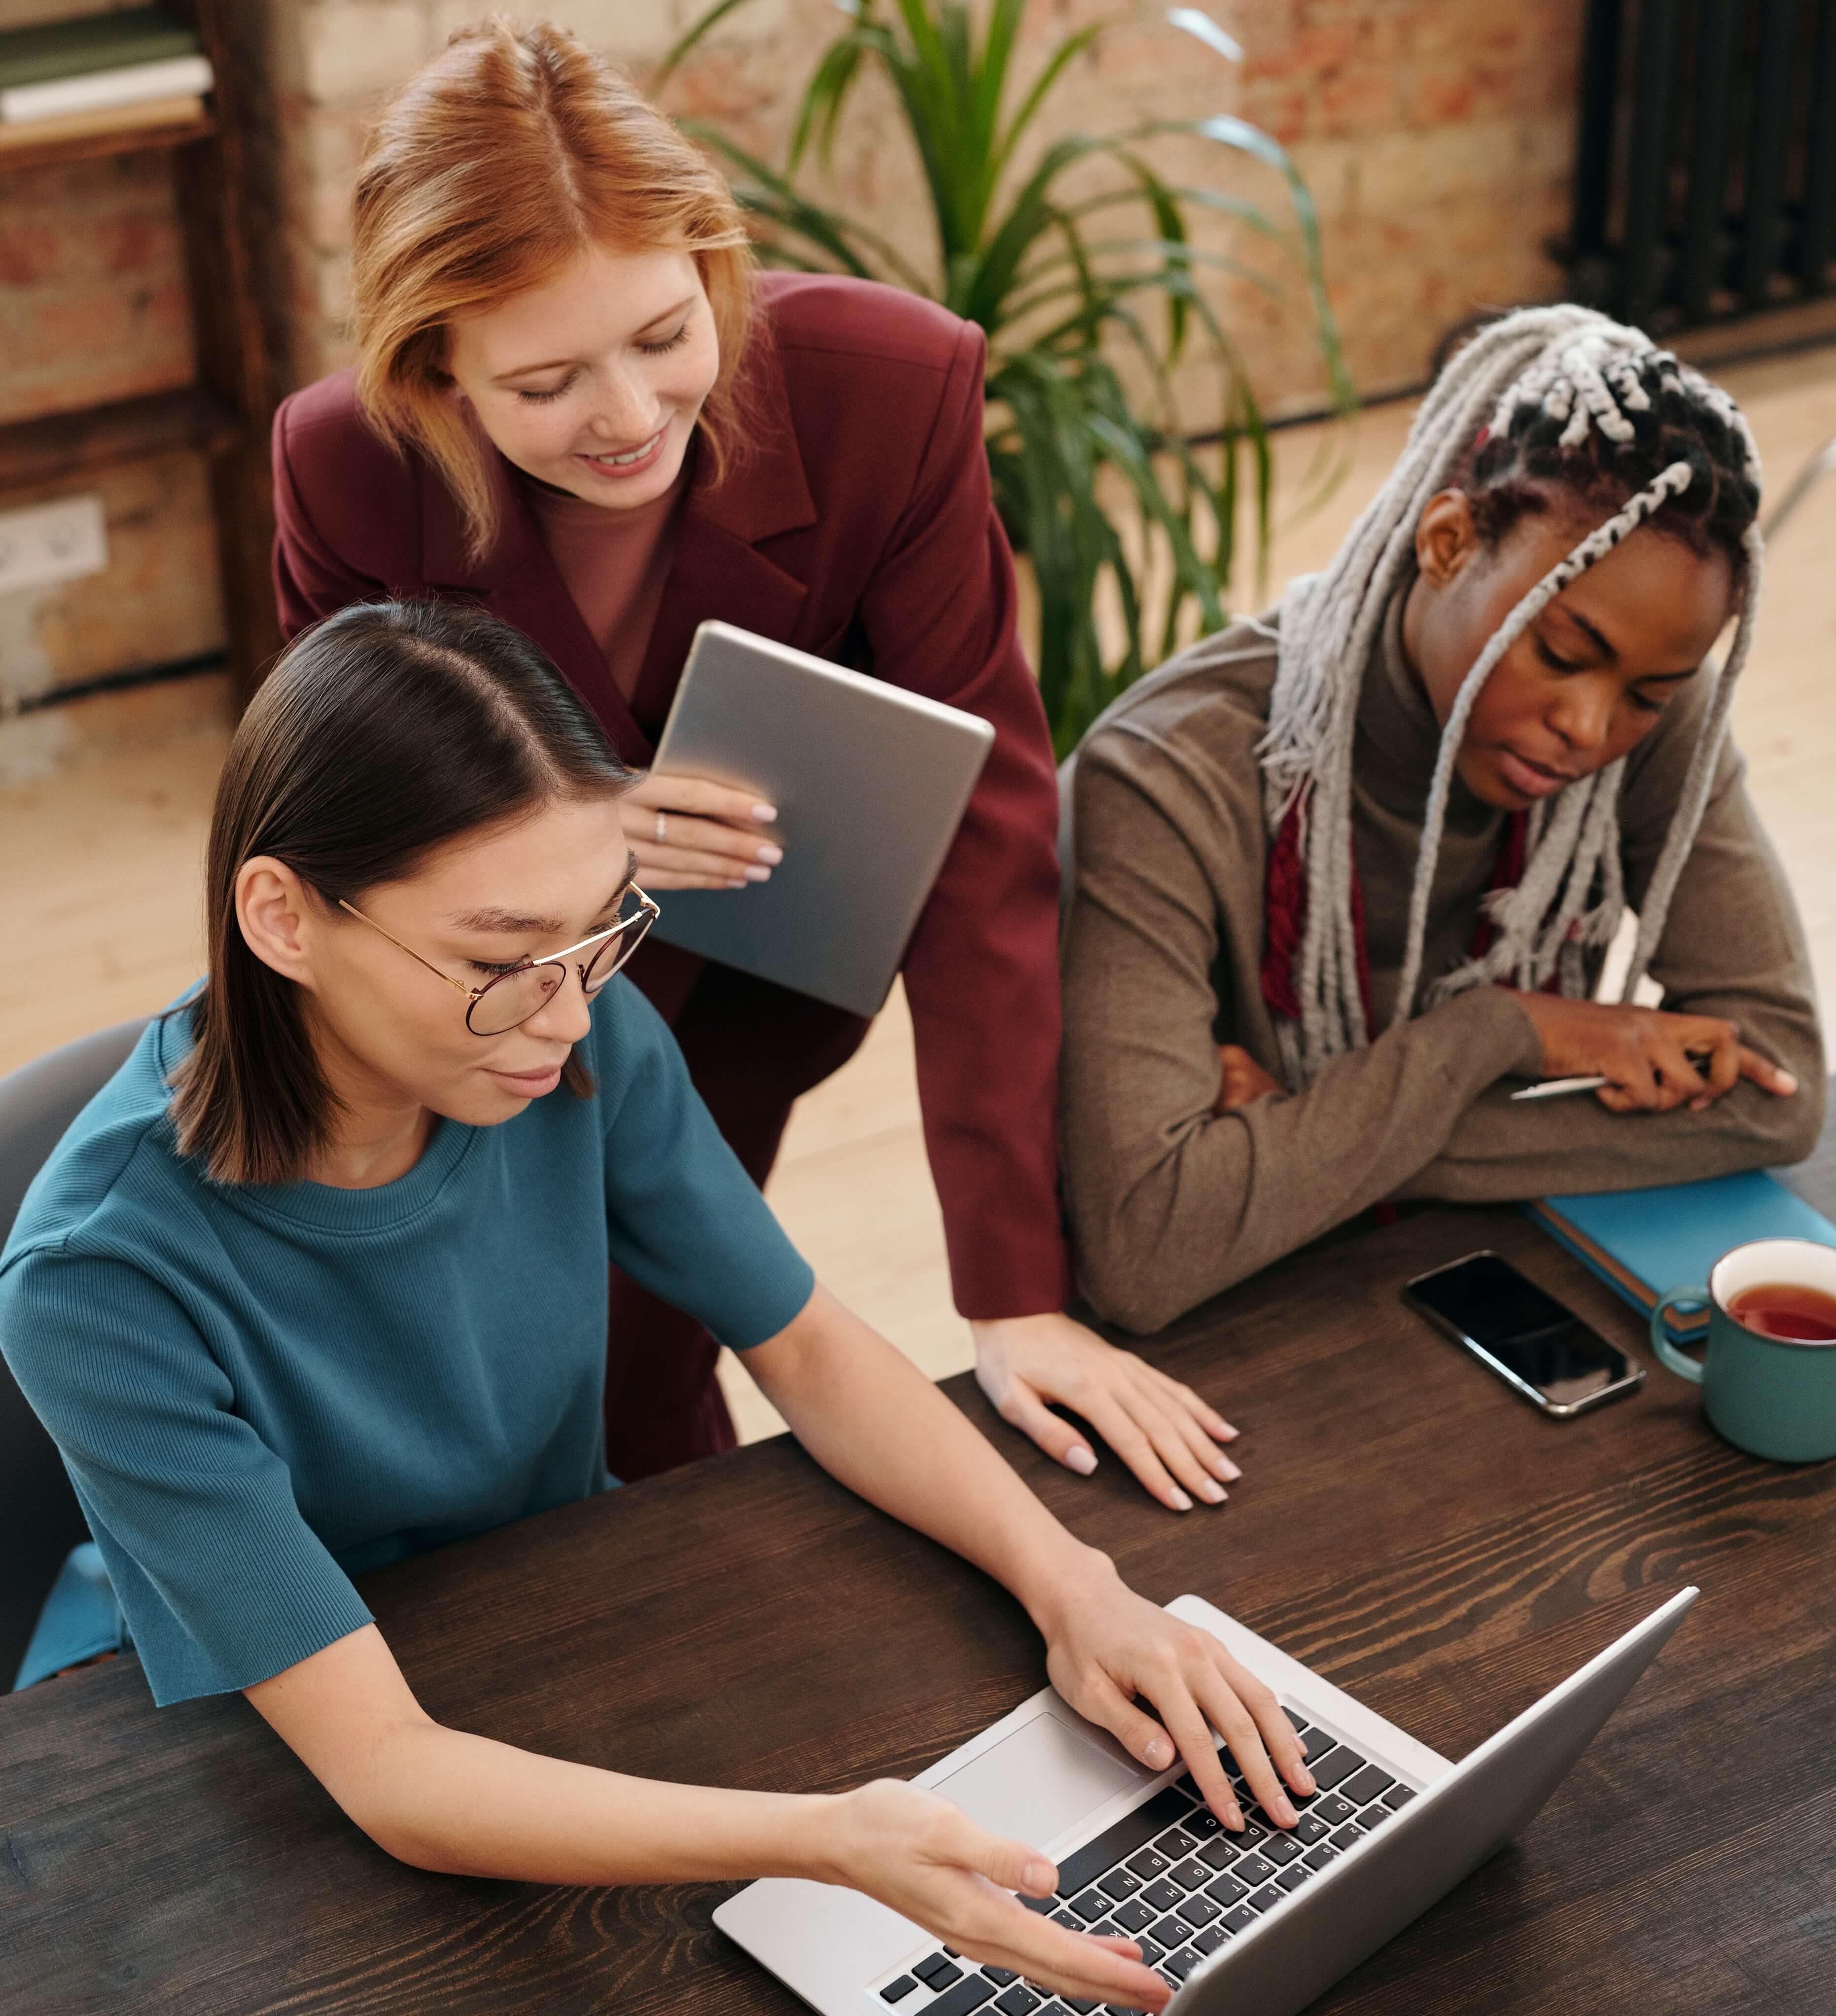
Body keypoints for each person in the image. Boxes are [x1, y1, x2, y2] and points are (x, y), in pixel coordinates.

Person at [0, 601, 1315, 2013]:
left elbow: (804, 1343)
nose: (569, 1015)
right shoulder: (97, 1278)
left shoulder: (571, 1034)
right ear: (284, 917)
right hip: (305, 1757)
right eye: (504, 959)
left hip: (575, 1619)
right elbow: (386, 1773)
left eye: (600, 930)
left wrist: (1078, 1590)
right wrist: (827, 1839)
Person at [268, 17, 1235, 1515]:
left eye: (664, 336)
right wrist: (577, 824)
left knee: (651, 1351)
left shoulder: (890, 392)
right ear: (433, 371)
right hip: (472, 992)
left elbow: (989, 838)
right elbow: (336, 820)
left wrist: (1011, 1291)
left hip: (757, 981)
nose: (630, 415)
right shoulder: (341, 465)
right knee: (469, 1374)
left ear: (712, 264)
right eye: (543, 385)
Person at [1059, 306, 1825, 1335]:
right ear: (1447, 541)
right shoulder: (1162, 774)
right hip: (1229, 1354)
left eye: (1646, 691)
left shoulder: (1655, 725)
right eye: (1558, 652)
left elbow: (1776, 1089)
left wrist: (1294, 1123)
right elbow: (1147, 1243)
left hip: (1479, 1279)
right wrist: (1505, 1033)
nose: (1588, 727)